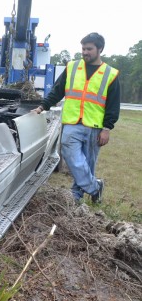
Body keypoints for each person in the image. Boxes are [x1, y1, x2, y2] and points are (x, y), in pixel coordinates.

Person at [33, 32, 120, 204]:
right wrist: (42, 106)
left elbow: (113, 104)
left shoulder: (110, 74)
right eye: (83, 48)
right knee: (68, 152)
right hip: (72, 122)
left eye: (89, 49)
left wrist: (107, 128)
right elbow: (57, 90)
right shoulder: (72, 67)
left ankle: (76, 196)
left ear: (100, 49)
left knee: (87, 163)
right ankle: (95, 187)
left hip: (95, 125)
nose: (85, 52)